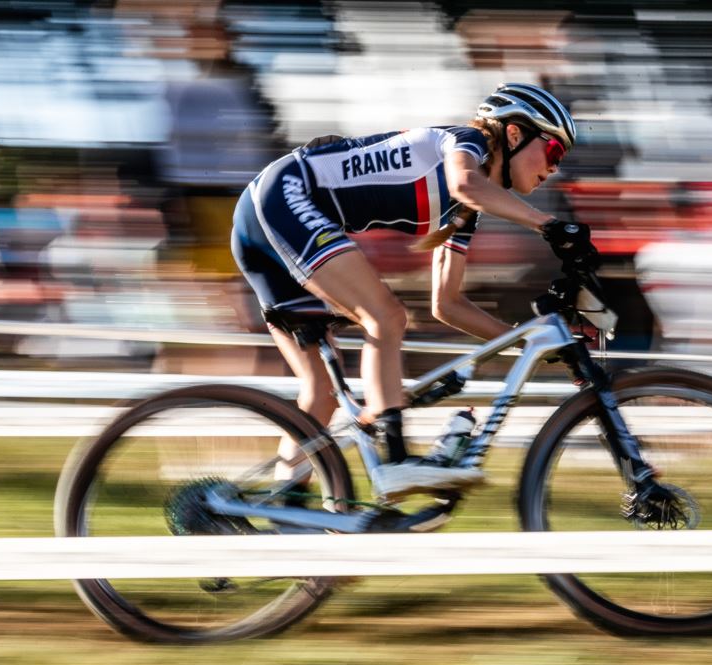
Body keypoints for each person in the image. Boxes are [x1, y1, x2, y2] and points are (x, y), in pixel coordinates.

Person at [230, 82, 598, 500]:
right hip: (283, 196)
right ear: (514, 134)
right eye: (553, 152)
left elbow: (448, 305)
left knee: (320, 393)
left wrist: (529, 344)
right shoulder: (466, 142)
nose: (554, 168)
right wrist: (548, 225)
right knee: (386, 316)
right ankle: (396, 459)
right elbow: (465, 184)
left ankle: (286, 507)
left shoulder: (467, 209)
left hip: (265, 216)